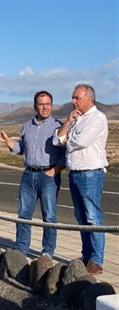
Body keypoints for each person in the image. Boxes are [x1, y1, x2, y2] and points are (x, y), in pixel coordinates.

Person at [0, 90, 65, 257]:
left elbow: (66, 154)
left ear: (52, 106)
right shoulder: (27, 126)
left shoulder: (58, 126)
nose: (45, 107)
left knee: (49, 216)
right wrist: (9, 142)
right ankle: (21, 249)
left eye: (48, 104)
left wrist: (53, 172)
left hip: (49, 176)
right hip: (28, 175)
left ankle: (47, 252)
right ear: (35, 106)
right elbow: (21, 148)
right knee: (24, 214)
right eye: (41, 104)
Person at [53, 84, 108, 275]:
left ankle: (96, 260)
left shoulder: (97, 118)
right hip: (75, 172)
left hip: (90, 172)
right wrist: (67, 122)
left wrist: (66, 139)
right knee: (81, 217)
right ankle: (86, 256)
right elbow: (57, 140)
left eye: (77, 98)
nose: (73, 101)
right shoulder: (77, 119)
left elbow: (79, 142)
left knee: (93, 217)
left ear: (88, 98)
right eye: (73, 97)